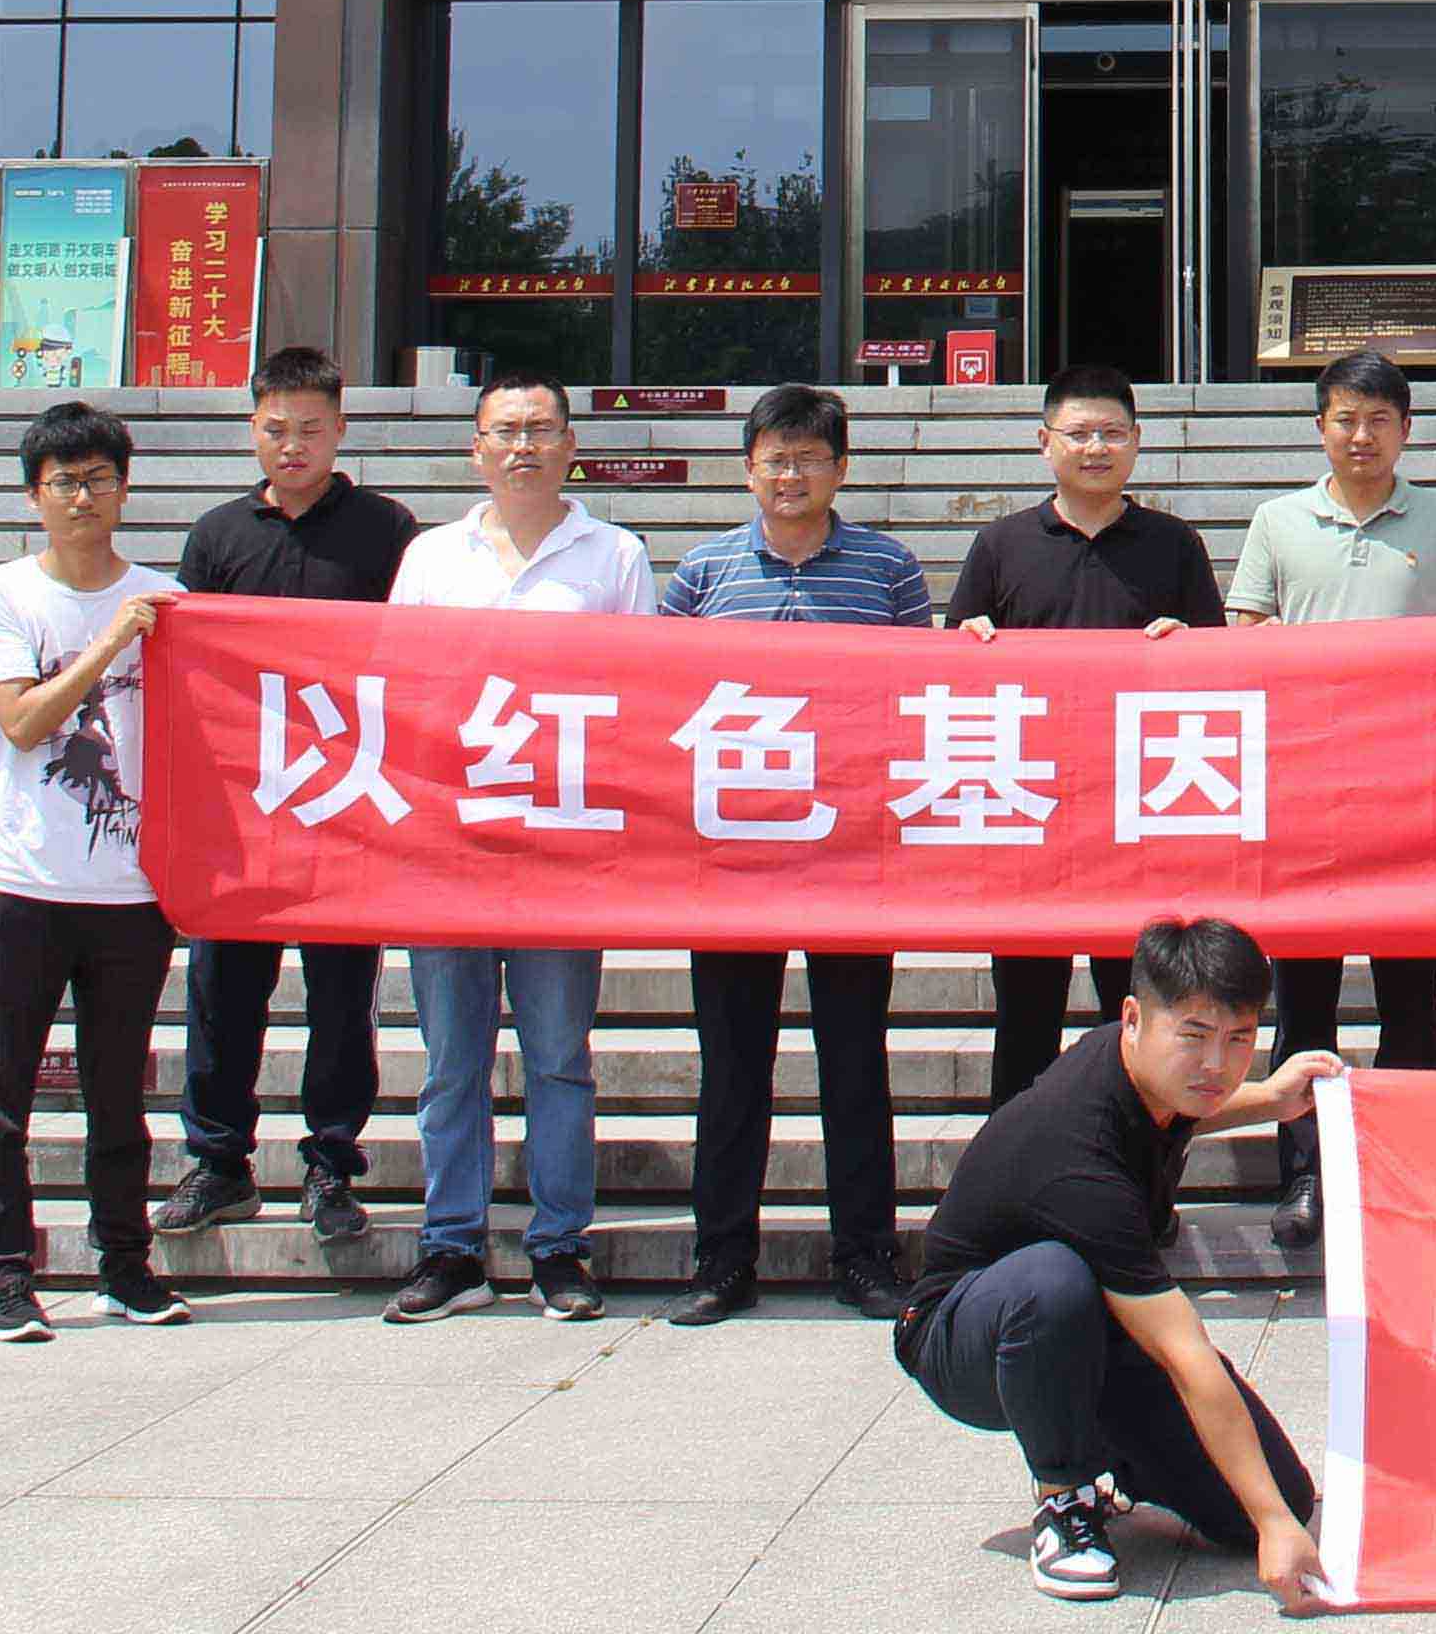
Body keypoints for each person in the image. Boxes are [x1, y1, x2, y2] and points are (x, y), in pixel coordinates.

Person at [898, 916, 1334, 1607]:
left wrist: (1272, 1100)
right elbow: (1184, 1352)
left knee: (1278, 1495)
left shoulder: (1136, 1067)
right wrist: (1276, 1528)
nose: (1216, 1064)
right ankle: (1063, 1497)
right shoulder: (1077, 1160)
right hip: (966, 1334)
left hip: (1091, 1327)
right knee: (1053, 1282)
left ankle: (1115, 1450)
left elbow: (1187, 1104)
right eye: (1194, 1035)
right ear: (1133, 1017)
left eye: (1239, 1038)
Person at [380, 368, 658, 1324]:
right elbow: (395, 689)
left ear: (571, 445)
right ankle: (451, 1246)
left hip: (561, 848)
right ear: (477, 449)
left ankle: (559, 1246)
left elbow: (644, 694)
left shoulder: (613, 555)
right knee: (452, 1060)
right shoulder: (431, 558)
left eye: (541, 428)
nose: (524, 445)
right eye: (506, 430)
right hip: (449, 847)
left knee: (557, 1057)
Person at [661, 380, 933, 1325]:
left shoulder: (890, 571)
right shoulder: (701, 575)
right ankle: (721, 1258)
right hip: (733, 861)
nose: (791, 475)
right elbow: (656, 701)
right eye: (775, 459)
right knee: (732, 1065)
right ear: (748, 469)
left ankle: (866, 1255)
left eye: (810, 459)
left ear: (841, 468)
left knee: (855, 1061)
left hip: (851, 859)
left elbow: (920, 702)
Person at [1226, 347, 1436, 1252]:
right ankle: (1306, 1178)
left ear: (1406, 429)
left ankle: (1408, 1172)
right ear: (1320, 427)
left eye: (1379, 420)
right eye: (1346, 418)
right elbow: (1245, 632)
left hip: (1412, 798)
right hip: (1308, 799)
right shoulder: (1278, 521)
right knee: (1305, 1002)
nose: (1362, 435)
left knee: (1411, 999)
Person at [159, 344, 415, 1254]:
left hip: (348, 796)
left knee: (342, 994)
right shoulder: (217, 535)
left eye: (311, 428)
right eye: (277, 429)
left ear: (341, 430)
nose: (294, 445)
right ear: (252, 430)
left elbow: (413, 659)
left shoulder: (388, 530)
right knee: (222, 988)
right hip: (241, 805)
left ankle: (331, 1162)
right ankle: (218, 1161)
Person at [0, 399, 187, 1342]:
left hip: (131, 890)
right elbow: (22, 722)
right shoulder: (2, 595)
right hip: (22, 883)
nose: (82, 498)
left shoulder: (168, 599)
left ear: (125, 489)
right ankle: (8, 1276)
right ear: (33, 496)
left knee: (119, 1095)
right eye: (63, 483)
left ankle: (125, 1267)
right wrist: (113, 641)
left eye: (98, 480)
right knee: (0, 1092)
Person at [947, 366, 1224, 1107]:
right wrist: (970, 644)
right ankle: (1013, 1166)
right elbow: (950, 673)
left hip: (1138, 818)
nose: (1095, 448)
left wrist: (1189, 645)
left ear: (1137, 441)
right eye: (1078, 434)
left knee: (1136, 1016)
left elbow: (1221, 671)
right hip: (1030, 814)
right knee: (1025, 1016)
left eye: (1111, 433)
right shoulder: (1001, 545)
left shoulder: (1174, 544)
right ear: (1045, 443)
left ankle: (1134, 1168)